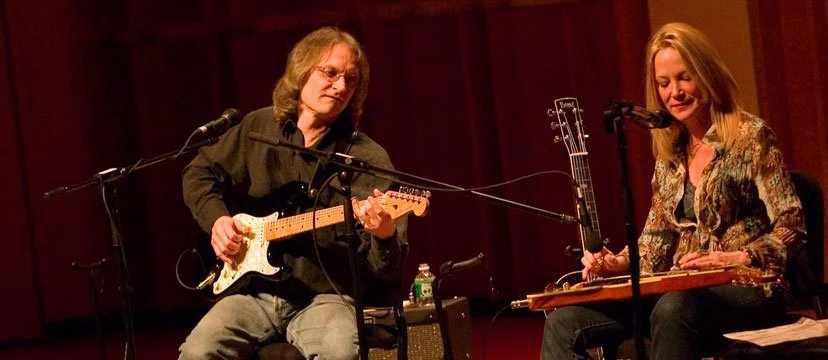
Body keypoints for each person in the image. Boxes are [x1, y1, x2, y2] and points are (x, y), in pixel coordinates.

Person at [541, 22, 806, 360]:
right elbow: (656, 242)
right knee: (564, 322)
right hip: (680, 289)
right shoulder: (670, 153)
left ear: (707, 76)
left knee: (672, 307)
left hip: (749, 286)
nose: (674, 92)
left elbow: (792, 225)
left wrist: (741, 257)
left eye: (685, 78)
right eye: (664, 83)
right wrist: (615, 263)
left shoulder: (751, 137)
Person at [179, 27, 408, 360]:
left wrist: (384, 234)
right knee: (197, 352)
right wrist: (218, 221)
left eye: (351, 80)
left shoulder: (367, 158)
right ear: (302, 71)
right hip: (253, 293)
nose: (341, 86)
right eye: (330, 73)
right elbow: (199, 172)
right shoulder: (259, 128)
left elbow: (386, 268)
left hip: (326, 297)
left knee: (340, 352)